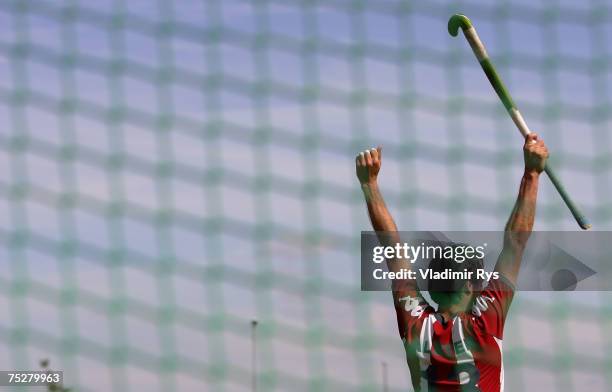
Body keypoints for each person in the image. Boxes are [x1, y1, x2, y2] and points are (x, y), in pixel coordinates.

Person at [356, 133, 549, 391]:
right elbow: (515, 242)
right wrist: (532, 172)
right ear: (470, 286)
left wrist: (369, 184)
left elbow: (392, 247)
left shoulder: (416, 324)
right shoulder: (484, 324)